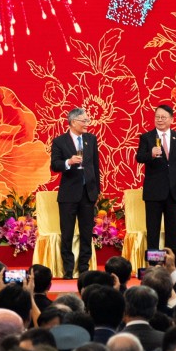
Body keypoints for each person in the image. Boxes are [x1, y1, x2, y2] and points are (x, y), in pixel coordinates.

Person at [50, 108, 100, 279]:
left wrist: (97, 190)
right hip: (69, 195)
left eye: (88, 120)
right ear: (72, 122)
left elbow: (95, 166)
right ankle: (68, 271)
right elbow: (54, 165)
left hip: (88, 194)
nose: (87, 123)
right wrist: (68, 162)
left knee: (86, 233)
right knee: (67, 234)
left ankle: (84, 269)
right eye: (84, 120)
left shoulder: (91, 139)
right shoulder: (59, 141)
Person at [136, 105, 176, 250]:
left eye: (163, 117)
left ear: (171, 119)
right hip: (154, 192)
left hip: (175, 192)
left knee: (172, 232)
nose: (160, 120)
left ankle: (169, 265)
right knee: (153, 231)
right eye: (157, 117)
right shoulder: (147, 137)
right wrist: (150, 154)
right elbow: (139, 157)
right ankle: (153, 266)